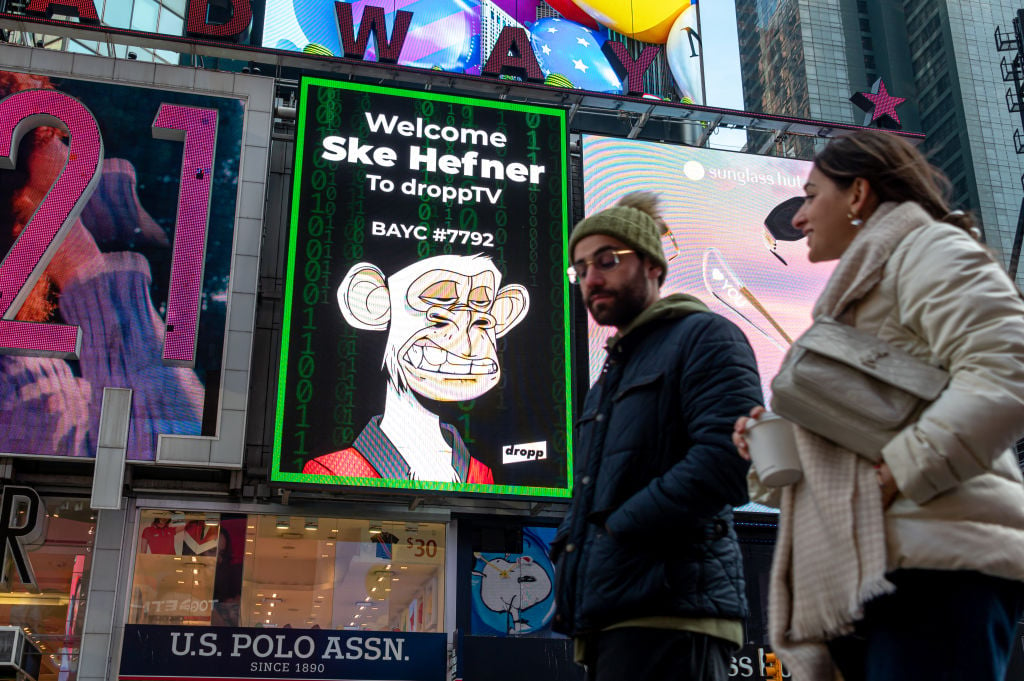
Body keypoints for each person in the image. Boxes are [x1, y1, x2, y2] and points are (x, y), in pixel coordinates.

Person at [732, 129, 1024, 681]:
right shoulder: (859, 294)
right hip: (874, 574)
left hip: (938, 567)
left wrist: (898, 472)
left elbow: (1008, 369)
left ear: (859, 194)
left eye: (812, 195)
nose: (797, 218)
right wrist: (772, 452)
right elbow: (870, 435)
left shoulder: (932, 249)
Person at [552, 192, 763, 680]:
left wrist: (614, 531)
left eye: (607, 261)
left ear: (652, 265)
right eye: (581, 269)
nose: (591, 279)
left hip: (673, 612)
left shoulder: (706, 336)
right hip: (612, 613)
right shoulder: (609, 378)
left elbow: (725, 463)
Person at [0, 71, 204, 460]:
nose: (74, 152)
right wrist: (84, 262)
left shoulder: (27, 371)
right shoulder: (15, 381)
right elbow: (178, 444)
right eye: (60, 138)